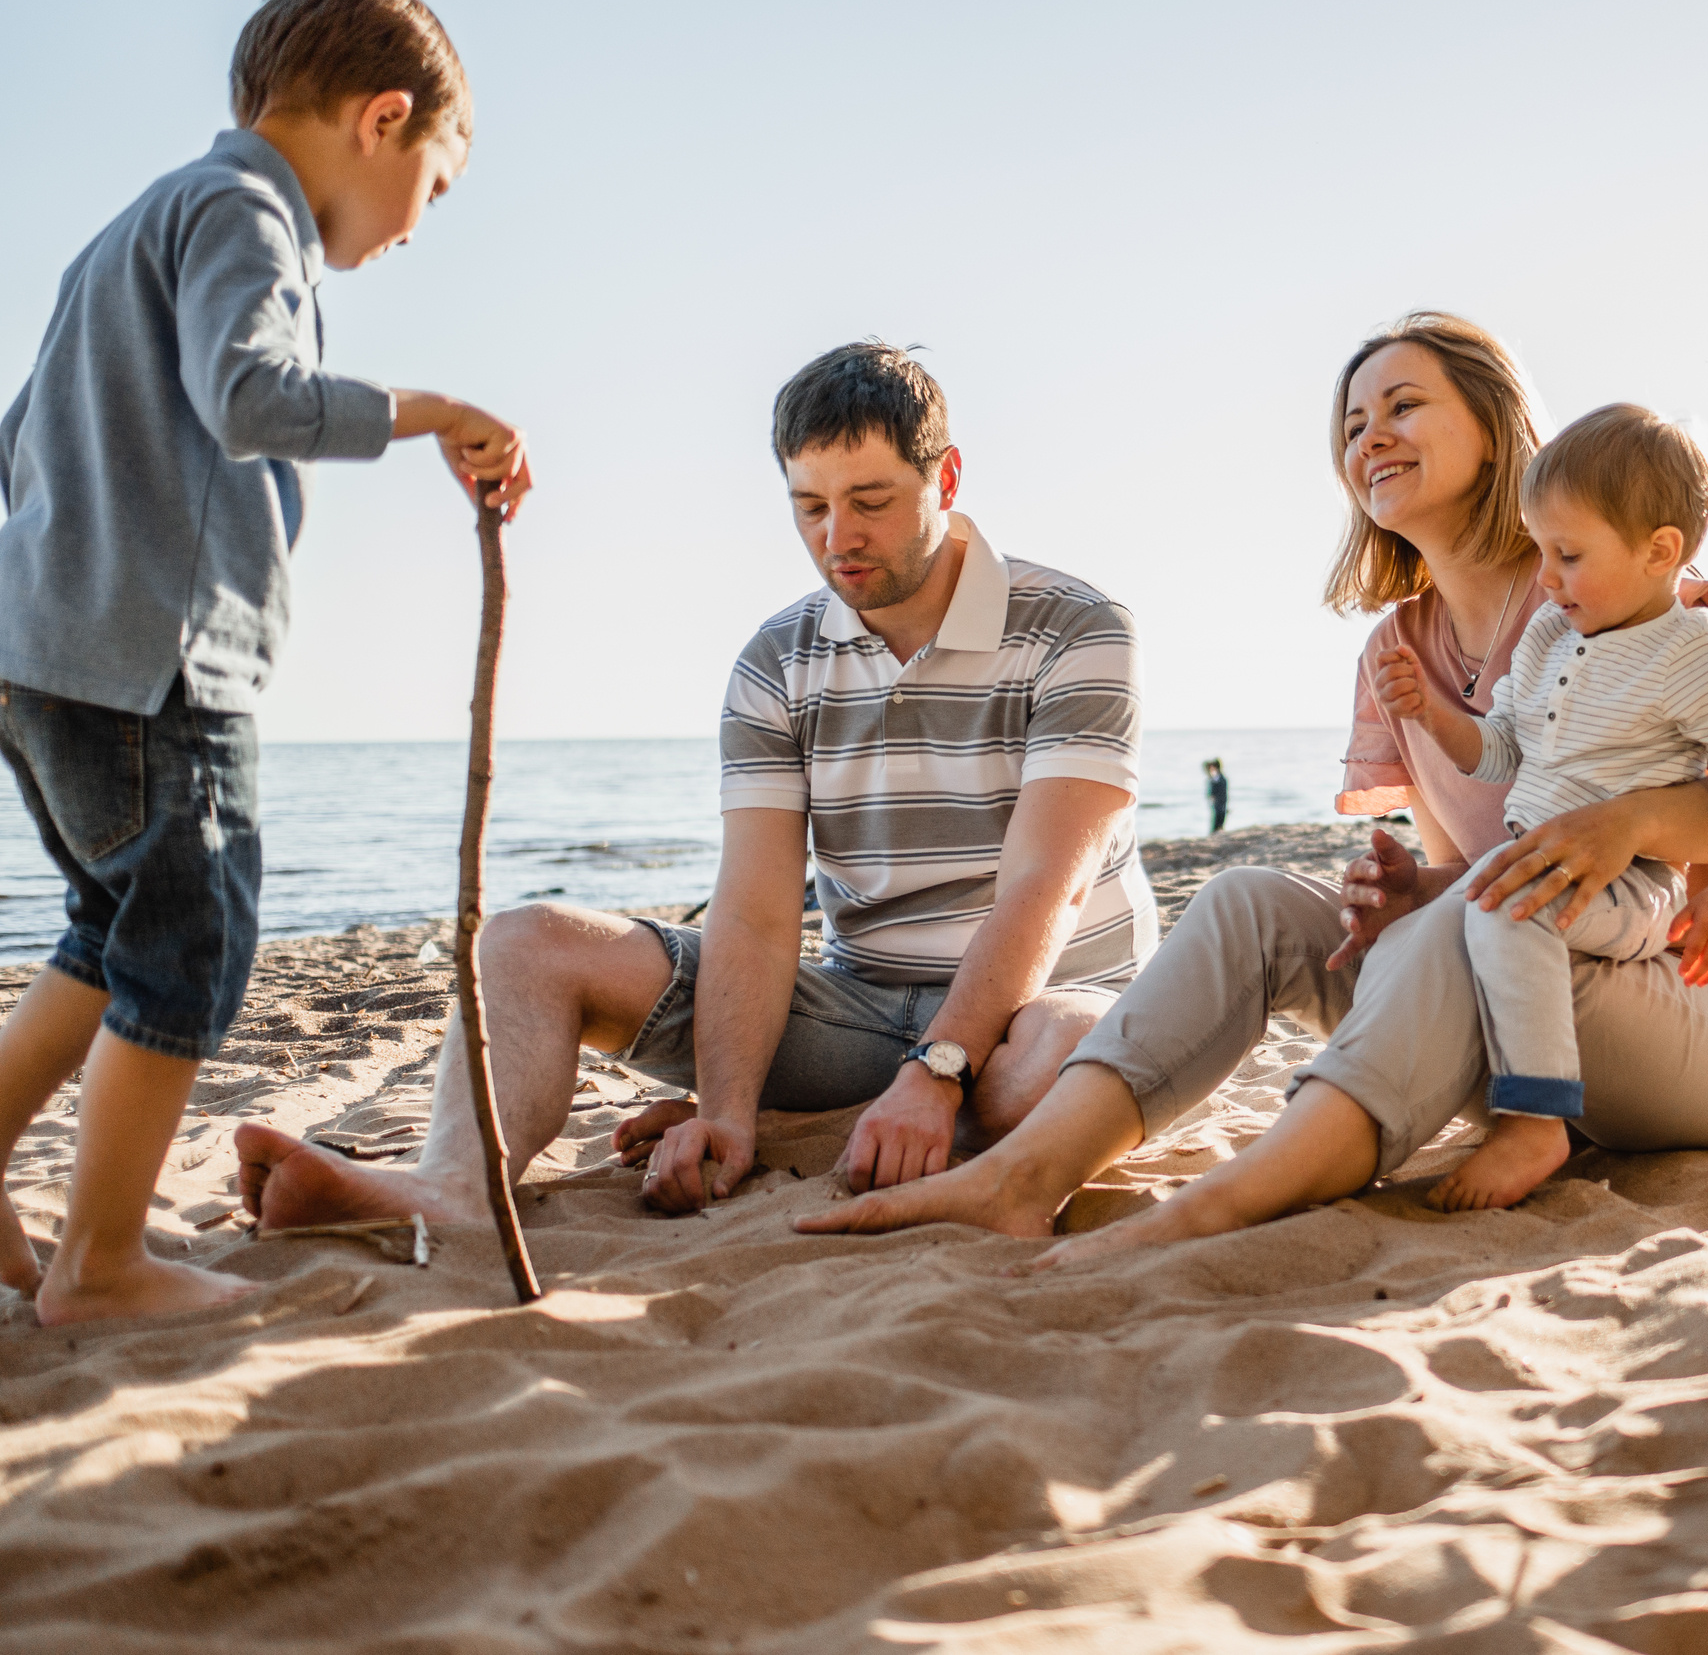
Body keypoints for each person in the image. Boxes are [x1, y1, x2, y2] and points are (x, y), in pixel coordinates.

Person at [793, 312, 1708, 1258]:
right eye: (1350, 423)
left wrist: (1628, 822)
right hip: (1533, 1010)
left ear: (1497, 425)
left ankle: (1218, 1207)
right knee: (1250, 900)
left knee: (1464, 914)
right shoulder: (1399, 653)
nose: (1368, 436)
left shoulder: (1621, 593)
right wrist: (1407, 891)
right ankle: (1029, 1176)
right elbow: (1471, 877)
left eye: (1403, 405)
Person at [235, 341, 1153, 1231]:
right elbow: (754, 912)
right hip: (857, 1007)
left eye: (871, 500)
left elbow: (1047, 885)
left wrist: (935, 1070)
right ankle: (453, 1186)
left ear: (945, 481)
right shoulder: (775, 660)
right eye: (809, 507)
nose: (838, 538)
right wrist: (726, 1109)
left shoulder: (1077, 627)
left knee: (1039, 1072)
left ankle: (894, 1114)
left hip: (1045, 1002)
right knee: (521, 945)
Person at [0, 0, 531, 1324]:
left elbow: (21, 444)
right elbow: (252, 397)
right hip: (156, 663)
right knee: (196, 935)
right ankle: (101, 1262)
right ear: (383, 118)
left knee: (111, 927)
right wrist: (433, 410)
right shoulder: (247, 213)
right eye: (440, 184)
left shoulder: (136, 222)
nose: (421, 227)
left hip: (44, 649)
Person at [1373, 401, 1708, 1210]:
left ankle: (1536, 1121)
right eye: (1541, 552)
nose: (1546, 577)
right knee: (1453, 917)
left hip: (1632, 879)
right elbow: (1498, 751)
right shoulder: (1546, 642)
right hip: (1547, 853)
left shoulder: (1695, 648)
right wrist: (1430, 711)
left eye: (1568, 554)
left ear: (1659, 552)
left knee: (1505, 906)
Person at [1204, 758, 1230, 833]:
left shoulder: (1220, 779)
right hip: (1217, 804)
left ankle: (1217, 832)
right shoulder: (1214, 779)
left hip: (1221, 803)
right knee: (1216, 821)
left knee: (1219, 821)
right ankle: (1215, 833)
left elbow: (1222, 792)